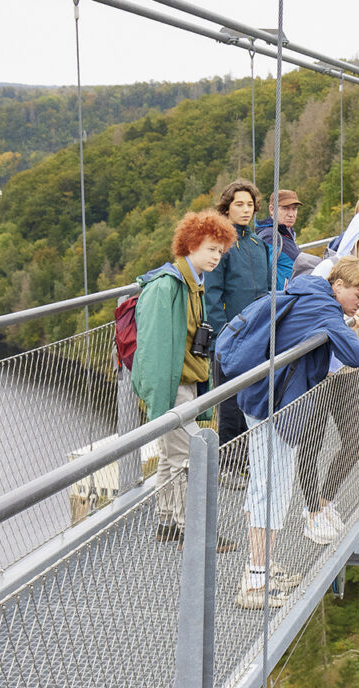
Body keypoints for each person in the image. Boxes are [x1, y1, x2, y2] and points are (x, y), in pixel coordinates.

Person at [234, 256, 359, 609]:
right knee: (273, 491)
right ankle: (255, 580)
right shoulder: (325, 311)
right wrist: (353, 324)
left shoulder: (306, 290)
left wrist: (348, 316)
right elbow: (356, 356)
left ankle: (262, 568)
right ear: (338, 285)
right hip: (275, 405)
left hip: (261, 399)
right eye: (358, 295)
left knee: (264, 486)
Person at [132, 210, 237, 552]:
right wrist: (159, 400)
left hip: (187, 380)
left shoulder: (194, 284)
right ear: (191, 244)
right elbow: (155, 347)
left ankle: (166, 523)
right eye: (210, 249)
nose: (216, 257)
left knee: (171, 455)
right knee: (187, 457)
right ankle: (193, 531)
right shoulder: (167, 286)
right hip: (172, 385)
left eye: (220, 252)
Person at [206, 180, 285, 482]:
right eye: (239, 204)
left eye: (250, 205)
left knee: (255, 397)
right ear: (226, 207)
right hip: (230, 337)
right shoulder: (221, 246)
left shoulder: (258, 245)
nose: (245, 210)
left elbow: (267, 290)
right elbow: (212, 296)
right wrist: (222, 334)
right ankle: (227, 464)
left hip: (258, 334)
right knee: (229, 402)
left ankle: (249, 459)